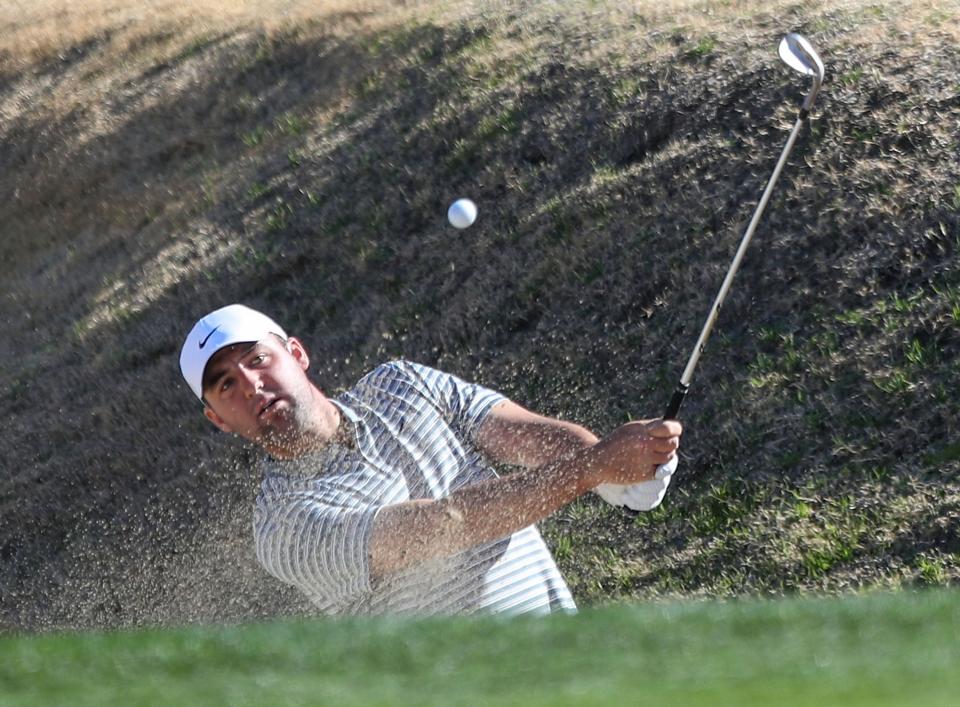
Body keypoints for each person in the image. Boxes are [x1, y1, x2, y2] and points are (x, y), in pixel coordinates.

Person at [180, 304, 682, 615]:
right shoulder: (282, 526)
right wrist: (593, 467)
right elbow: (448, 526)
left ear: (296, 353)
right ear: (218, 419)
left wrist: (620, 476)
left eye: (257, 359)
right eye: (225, 384)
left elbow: (524, 434)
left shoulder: (401, 383)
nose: (250, 384)